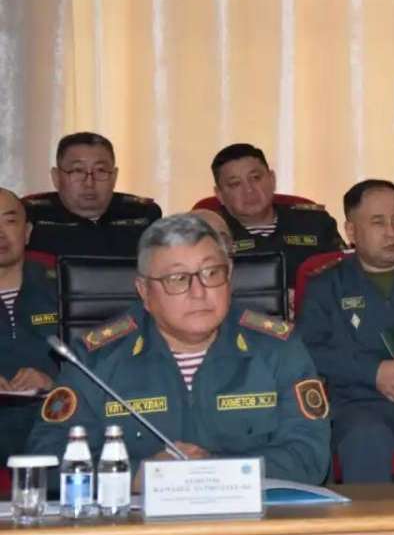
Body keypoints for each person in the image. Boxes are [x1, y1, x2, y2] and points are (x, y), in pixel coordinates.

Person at [26, 213, 330, 485]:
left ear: (230, 275)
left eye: (212, 273)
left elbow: (309, 458)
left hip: (248, 526)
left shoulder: (278, 348)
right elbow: (48, 459)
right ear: (144, 291)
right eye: (177, 279)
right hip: (137, 529)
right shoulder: (94, 357)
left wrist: (212, 471)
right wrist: (136, 475)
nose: (199, 292)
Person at [297, 180, 394, 482]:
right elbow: (307, 351)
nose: (391, 232)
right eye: (378, 223)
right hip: (359, 407)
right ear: (351, 232)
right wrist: (373, 372)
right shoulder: (325, 285)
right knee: (366, 440)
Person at [208, 143, 345, 290]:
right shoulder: (208, 234)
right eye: (235, 184)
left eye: (255, 178)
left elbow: (346, 274)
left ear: (272, 179)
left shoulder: (315, 223)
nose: (249, 190)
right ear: (220, 195)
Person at [24, 132, 162, 258]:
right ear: (56, 177)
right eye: (77, 171)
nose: (89, 183)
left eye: (100, 170)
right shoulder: (32, 214)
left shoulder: (143, 215)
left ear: (114, 177)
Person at [0, 189, 59, 465]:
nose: (0, 232)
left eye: (9, 221)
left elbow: (97, 365)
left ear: (27, 231)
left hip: (51, 422)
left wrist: (52, 383)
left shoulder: (62, 287)